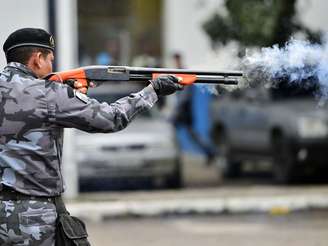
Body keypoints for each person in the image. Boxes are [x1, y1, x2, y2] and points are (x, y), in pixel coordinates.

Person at [0, 28, 183, 245]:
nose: (52, 66)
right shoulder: (49, 93)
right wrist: (152, 91)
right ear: (38, 59)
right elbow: (111, 118)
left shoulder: (48, 91)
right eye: (50, 59)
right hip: (35, 218)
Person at [171, 53, 216, 165]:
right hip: (183, 108)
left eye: (176, 60)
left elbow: (184, 95)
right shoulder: (178, 72)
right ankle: (208, 152)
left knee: (176, 131)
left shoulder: (183, 73)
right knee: (188, 134)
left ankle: (209, 152)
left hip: (184, 109)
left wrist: (177, 110)